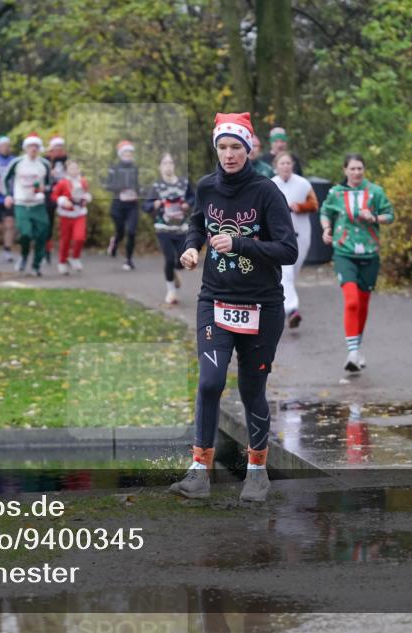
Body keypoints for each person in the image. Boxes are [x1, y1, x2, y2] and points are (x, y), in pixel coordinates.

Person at [172, 112, 297, 502]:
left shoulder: (267, 192)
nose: (228, 154)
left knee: (251, 388)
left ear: (248, 149)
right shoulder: (207, 187)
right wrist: (192, 247)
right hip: (215, 299)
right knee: (210, 382)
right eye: (222, 147)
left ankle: (257, 472)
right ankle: (199, 472)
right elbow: (197, 224)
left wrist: (241, 244)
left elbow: (288, 250)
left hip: (262, 304)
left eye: (236, 147)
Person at [319, 153, 395, 370]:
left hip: (370, 253)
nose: (356, 172)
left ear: (364, 170)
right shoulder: (336, 192)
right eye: (352, 169)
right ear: (345, 170)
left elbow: (389, 215)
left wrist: (374, 218)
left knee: (362, 304)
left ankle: (357, 348)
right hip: (344, 252)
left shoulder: (375, 192)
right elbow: (324, 212)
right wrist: (326, 229)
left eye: (360, 168)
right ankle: (352, 353)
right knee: (351, 301)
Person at [272, 151, 319, 327]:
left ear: (293, 165)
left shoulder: (303, 184)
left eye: (288, 163)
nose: (285, 166)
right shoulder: (270, 184)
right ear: (276, 166)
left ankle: (280, 306)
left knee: (292, 274)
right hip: (280, 237)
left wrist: (299, 206)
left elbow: (314, 204)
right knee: (286, 272)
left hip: (302, 234)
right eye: (282, 163)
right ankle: (292, 309)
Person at [143, 152, 195, 304]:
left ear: (174, 166)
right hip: (163, 228)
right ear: (160, 167)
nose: (168, 166)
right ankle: (171, 292)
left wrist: (188, 204)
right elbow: (145, 206)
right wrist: (154, 204)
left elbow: (194, 198)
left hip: (181, 228)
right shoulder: (156, 186)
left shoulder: (183, 183)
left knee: (181, 260)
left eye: (170, 163)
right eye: (164, 163)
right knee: (169, 259)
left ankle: (175, 271)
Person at [1, 133, 52, 276]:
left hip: (38, 204)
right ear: (26, 148)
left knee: (42, 233)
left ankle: (36, 265)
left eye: (36, 146)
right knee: (25, 233)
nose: (33, 149)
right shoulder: (17, 163)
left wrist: (44, 189)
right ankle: (23, 256)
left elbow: (50, 184)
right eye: (31, 146)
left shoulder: (44, 164)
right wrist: (8, 196)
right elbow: (5, 179)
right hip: (21, 203)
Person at [51, 160, 92, 275]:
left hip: (79, 213)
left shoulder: (83, 181)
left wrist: (86, 198)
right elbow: (54, 195)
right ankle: (62, 261)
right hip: (66, 214)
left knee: (79, 237)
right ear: (67, 170)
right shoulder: (62, 183)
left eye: (76, 168)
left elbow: (86, 193)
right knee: (66, 239)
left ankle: (75, 257)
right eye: (71, 168)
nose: (74, 171)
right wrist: (63, 201)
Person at [105, 140, 141, 271]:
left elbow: (138, 185)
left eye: (130, 152)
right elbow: (107, 185)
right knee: (120, 232)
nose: (128, 154)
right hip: (118, 205)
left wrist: (139, 191)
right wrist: (120, 188)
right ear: (121, 154)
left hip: (132, 205)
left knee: (131, 232)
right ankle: (115, 242)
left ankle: (128, 260)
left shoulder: (135, 168)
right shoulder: (114, 168)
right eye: (126, 152)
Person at [45, 136, 69, 265]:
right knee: (48, 222)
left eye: (61, 147)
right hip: (50, 195)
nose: (58, 150)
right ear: (51, 149)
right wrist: (49, 172)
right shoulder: (45, 160)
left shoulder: (67, 160)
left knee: (67, 222)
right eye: (56, 148)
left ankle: (66, 253)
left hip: (64, 195)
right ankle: (46, 250)